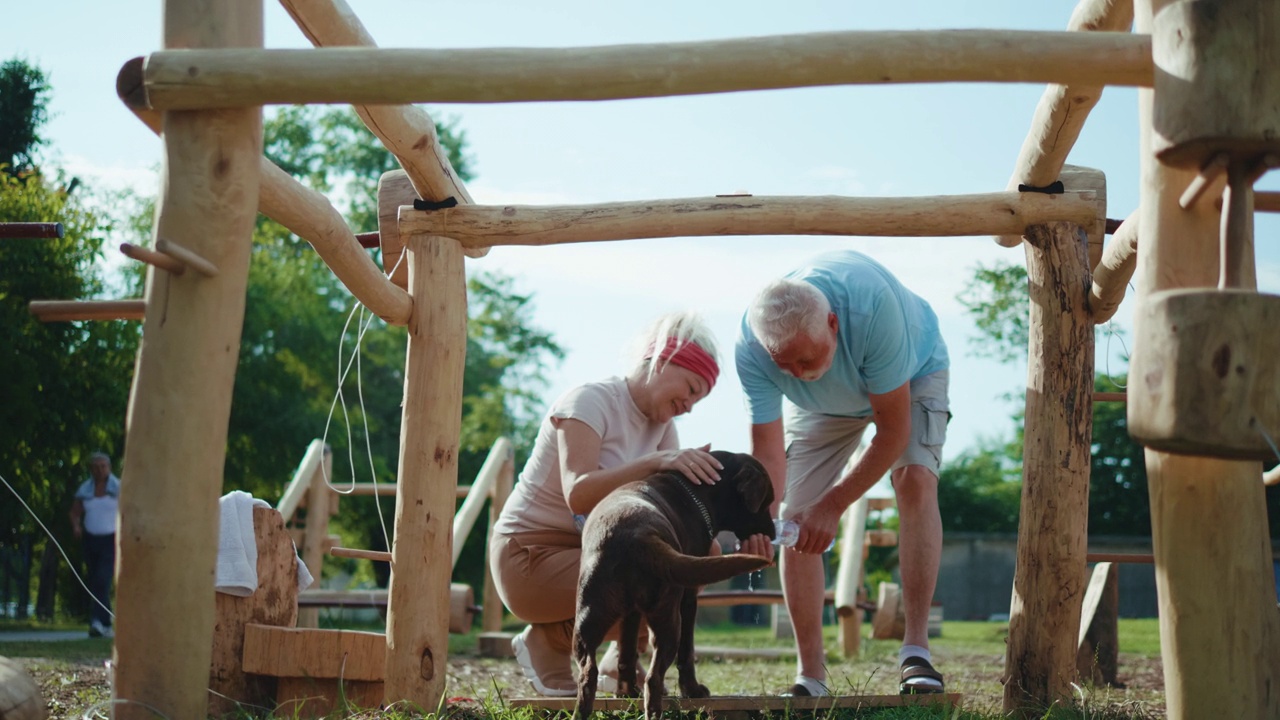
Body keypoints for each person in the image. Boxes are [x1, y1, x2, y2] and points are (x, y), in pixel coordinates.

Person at [489, 311, 774, 696]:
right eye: (690, 388)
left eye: (698, 399)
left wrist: (743, 535)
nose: (690, 405)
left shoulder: (663, 430)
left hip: (596, 551)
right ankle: (549, 642)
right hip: (530, 555)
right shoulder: (589, 401)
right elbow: (579, 493)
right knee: (649, 565)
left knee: (695, 555)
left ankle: (618, 659)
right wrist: (657, 462)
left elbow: (677, 525)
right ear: (662, 361)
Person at [736, 249, 950, 697]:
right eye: (785, 366)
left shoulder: (872, 309)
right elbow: (768, 449)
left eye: (806, 360)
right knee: (794, 517)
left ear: (832, 324)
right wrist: (760, 520)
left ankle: (916, 652)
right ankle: (811, 675)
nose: (798, 374)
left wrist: (833, 506)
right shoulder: (751, 347)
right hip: (824, 410)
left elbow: (893, 432)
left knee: (913, 479)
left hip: (911, 373)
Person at [69, 452, 120, 639]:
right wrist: (76, 527)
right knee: (93, 580)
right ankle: (102, 622)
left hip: (111, 539)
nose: (99, 470)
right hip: (90, 539)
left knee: (102, 578)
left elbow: (128, 510)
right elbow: (74, 512)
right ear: (91, 469)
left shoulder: (118, 488)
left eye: (103, 466)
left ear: (109, 468)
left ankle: (99, 621)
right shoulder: (85, 489)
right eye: (96, 467)